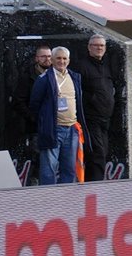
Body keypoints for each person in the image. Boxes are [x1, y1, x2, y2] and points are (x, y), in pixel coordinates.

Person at [29, 46, 90, 185]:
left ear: (69, 60)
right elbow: (34, 105)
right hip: (53, 129)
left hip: (72, 129)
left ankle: (67, 197)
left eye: (64, 58)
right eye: (58, 58)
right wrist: (45, 123)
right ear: (52, 60)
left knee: (69, 169)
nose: (61, 61)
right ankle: (49, 197)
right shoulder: (44, 79)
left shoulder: (75, 77)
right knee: (48, 169)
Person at [70, 34, 120, 181]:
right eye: (96, 45)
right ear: (89, 47)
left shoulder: (107, 66)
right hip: (90, 118)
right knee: (97, 153)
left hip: (106, 118)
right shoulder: (81, 66)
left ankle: (91, 184)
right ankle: (97, 186)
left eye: (102, 45)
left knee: (103, 152)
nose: (99, 48)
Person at [10, 45, 52, 185]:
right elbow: (18, 101)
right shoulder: (27, 77)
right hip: (35, 127)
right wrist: (32, 117)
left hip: (54, 125)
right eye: (43, 56)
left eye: (49, 56)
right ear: (36, 58)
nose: (47, 59)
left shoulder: (56, 75)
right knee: (37, 158)